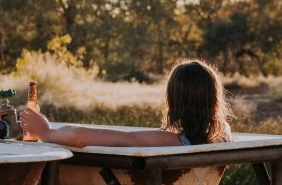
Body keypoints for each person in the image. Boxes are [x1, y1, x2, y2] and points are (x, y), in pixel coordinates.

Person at [19, 59, 233, 147]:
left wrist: (46, 132)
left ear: (174, 100)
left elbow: (81, 136)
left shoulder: (171, 142)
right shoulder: (223, 137)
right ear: (214, 99)